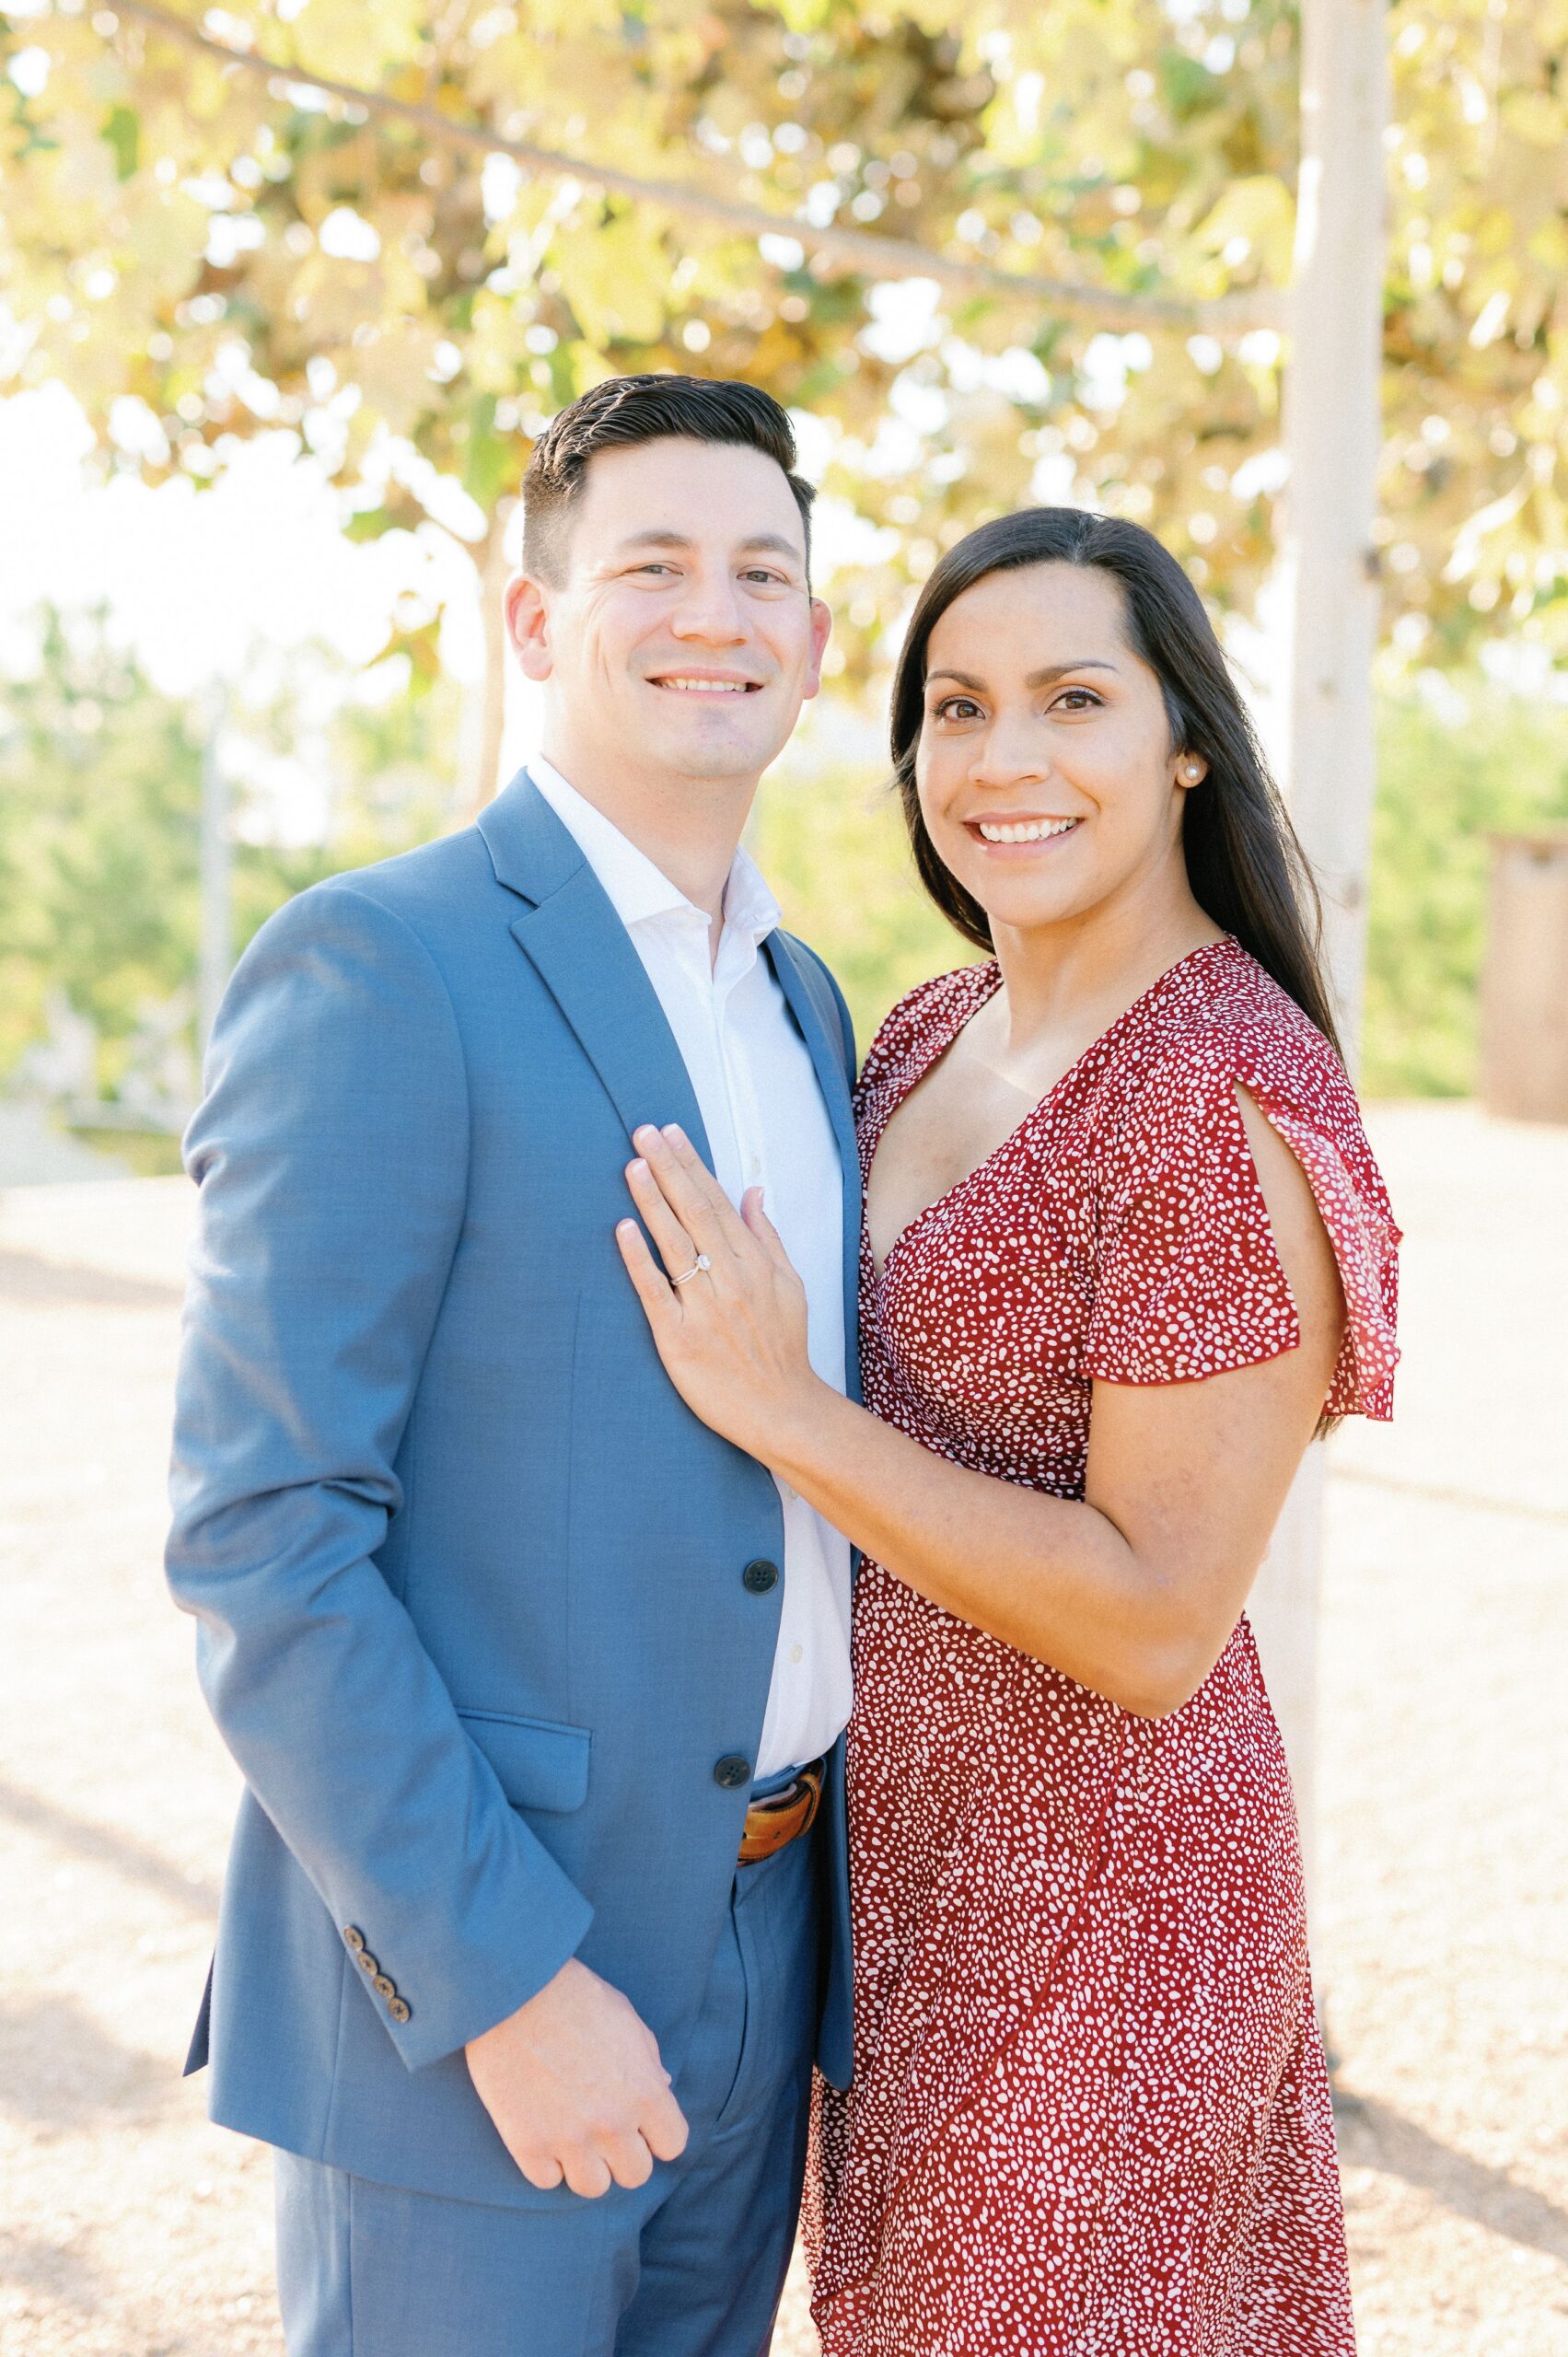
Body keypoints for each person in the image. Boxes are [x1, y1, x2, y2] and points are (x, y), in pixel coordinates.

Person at [614, 506, 1400, 2353]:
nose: (1004, 758)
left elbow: (1153, 1619)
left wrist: (789, 1412)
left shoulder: (1212, 1091)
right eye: (956, 708)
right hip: (898, 1907)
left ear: (1184, 736)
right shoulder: (924, 1032)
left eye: (1073, 698)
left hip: (1114, 1936)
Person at [165, 374, 864, 2357]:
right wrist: (502, 1980)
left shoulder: (808, 1000)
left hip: (768, 1941)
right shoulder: (384, 962)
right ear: (538, 621)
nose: (712, 612)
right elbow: (262, 1533)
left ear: (816, 645)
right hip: (477, 1982)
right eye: (653, 564)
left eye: (762, 572)